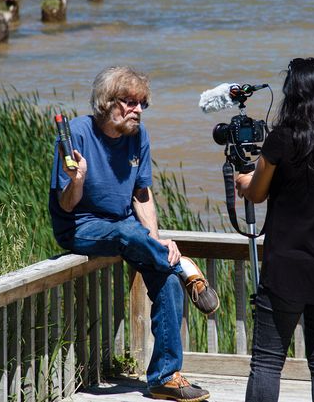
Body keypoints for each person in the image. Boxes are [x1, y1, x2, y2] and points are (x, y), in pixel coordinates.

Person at [49, 66, 219, 402]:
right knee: (128, 237)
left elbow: (141, 195)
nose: (138, 110)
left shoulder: (138, 135)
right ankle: (184, 266)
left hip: (124, 224)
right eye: (130, 102)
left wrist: (155, 242)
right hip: (80, 226)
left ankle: (164, 378)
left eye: (142, 103)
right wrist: (79, 178)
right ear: (107, 102)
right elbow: (66, 206)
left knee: (166, 281)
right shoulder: (77, 134)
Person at [235, 57, 314, 402]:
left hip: (287, 267)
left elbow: (257, 192)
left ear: (295, 96)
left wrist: (242, 180)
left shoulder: (282, 140)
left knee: (267, 361)